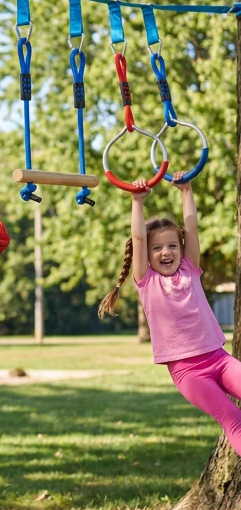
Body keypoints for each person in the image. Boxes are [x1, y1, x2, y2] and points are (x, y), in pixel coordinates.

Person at [99, 172, 241, 455]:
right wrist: (137, 201)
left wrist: (186, 190)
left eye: (172, 245)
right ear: (148, 255)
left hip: (220, 359)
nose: (166, 252)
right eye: (157, 248)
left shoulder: (190, 268)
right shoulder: (146, 281)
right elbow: (138, 237)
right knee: (233, 419)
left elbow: (191, 228)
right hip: (188, 372)